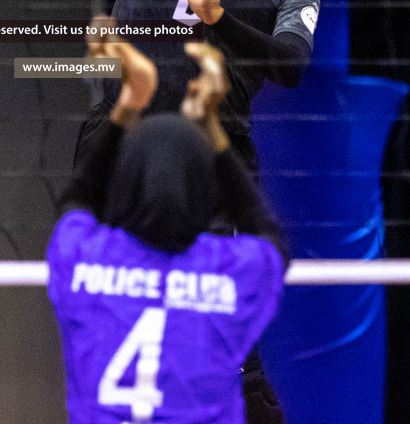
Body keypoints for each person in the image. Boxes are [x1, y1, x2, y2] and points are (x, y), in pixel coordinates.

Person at [76, 0, 321, 423]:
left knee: (223, 342)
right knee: (119, 325)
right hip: (123, 141)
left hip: (212, 153)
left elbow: (291, 66)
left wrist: (219, 18)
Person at [50, 26, 289, 424]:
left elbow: (76, 199)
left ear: (125, 184)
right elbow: (267, 235)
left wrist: (126, 106)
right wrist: (212, 127)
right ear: (204, 190)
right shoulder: (226, 273)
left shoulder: (85, 261)